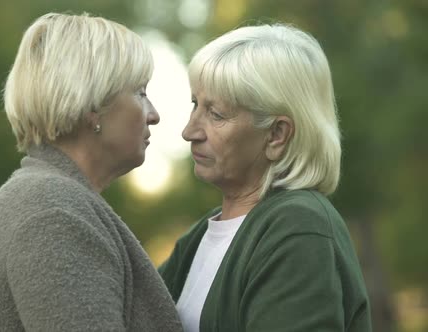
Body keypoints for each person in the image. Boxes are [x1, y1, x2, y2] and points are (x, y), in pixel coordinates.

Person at [0, 13, 182, 331]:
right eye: (140, 92)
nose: (154, 115)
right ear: (94, 105)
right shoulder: (53, 211)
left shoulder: (46, 200)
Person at [158, 24, 372, 331]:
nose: (189, 131)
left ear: (276, 135)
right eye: (195, 105)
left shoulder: (298, 227)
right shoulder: (201, 237)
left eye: (215, 114)